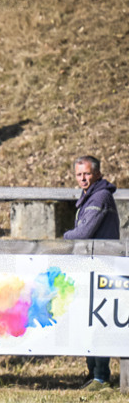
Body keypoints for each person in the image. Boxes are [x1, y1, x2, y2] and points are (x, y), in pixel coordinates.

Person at [63, 155, 121, 390]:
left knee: (99, 321)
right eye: (79, 174)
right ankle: (93, 373)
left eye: (86, 174)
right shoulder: (88, 196)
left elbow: (84, 232)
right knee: (87, 320)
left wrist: (65, 236)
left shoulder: (101, 197)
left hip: (103, 268)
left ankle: (101, 377)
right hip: (90, 266)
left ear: (97, 173)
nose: (83, 178)